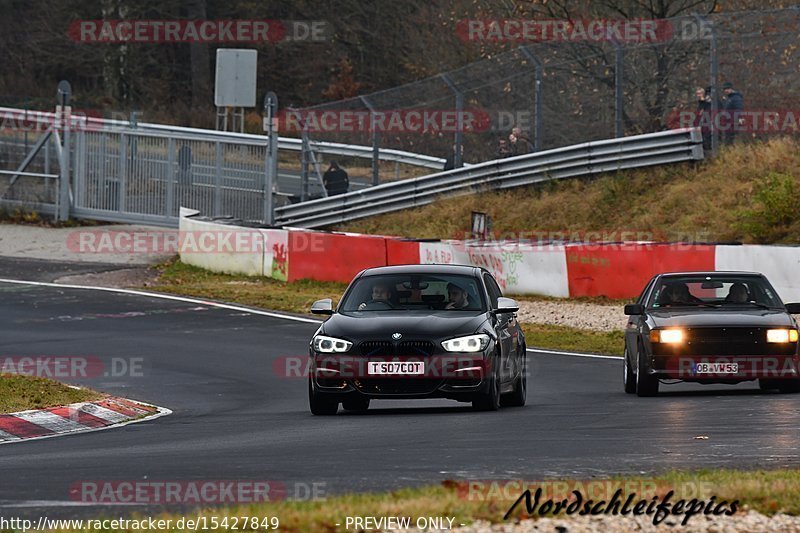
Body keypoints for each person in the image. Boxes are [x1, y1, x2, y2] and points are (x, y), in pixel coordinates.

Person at [695, 86, 713, 151]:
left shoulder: (708, 103)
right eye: (697, 94)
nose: (698, 95)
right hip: (700, 127)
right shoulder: (700, 104)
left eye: (700, 93)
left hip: (707, 126)